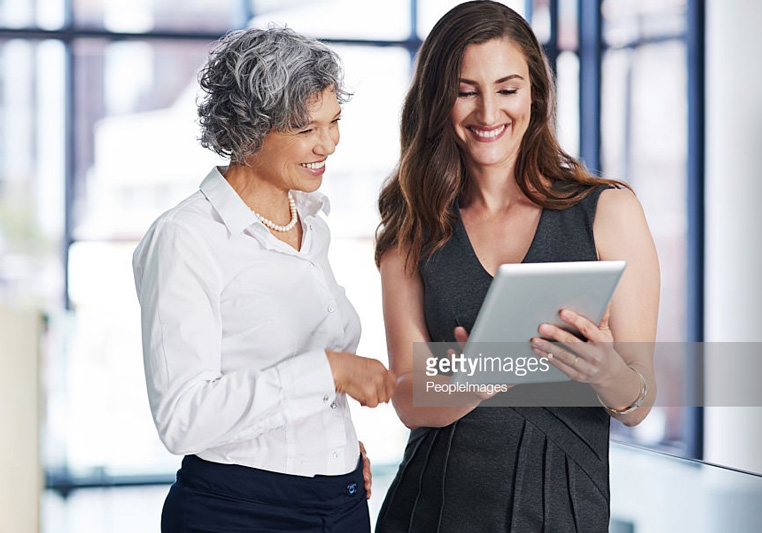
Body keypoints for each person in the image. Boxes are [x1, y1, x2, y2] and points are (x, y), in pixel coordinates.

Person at [374, 2, 659, 532]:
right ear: (438, 99)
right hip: (435, 509)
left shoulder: (609, 212)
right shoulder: (412, 226)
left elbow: (639, 401)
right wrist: (473, 378)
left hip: (563, 511)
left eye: (507, 89)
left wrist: (608, 373)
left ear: (536, 94)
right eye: (466, 91)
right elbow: (406, 394)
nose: (488, 113)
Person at [132, 26, 395, 532]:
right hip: (239, 511)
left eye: (334, 121)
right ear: (247, 131)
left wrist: (332, 451)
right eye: (305, 129)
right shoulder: (186, 237)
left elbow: (277, 384)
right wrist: (330, 371)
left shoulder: (312, 225)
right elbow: (183, 417)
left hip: (339, 503)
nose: (329, 143)